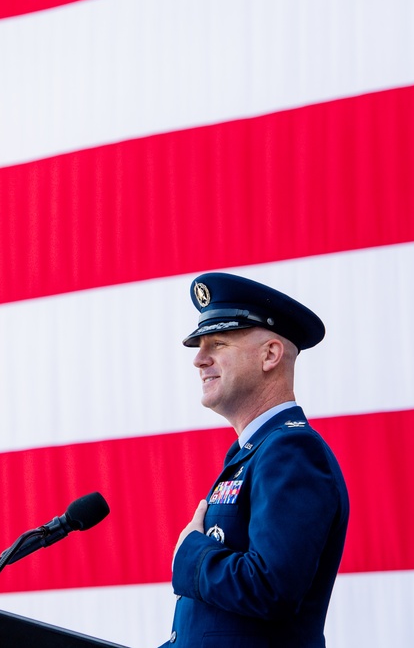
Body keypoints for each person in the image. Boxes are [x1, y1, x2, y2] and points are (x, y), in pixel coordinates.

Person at [161, 272, 350, 647]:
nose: (199, 359)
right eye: (199, 345)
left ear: (270, 355)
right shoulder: (254, 452)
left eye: (217, 343)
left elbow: (271, 586)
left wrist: (191, 557)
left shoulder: (291, 451)